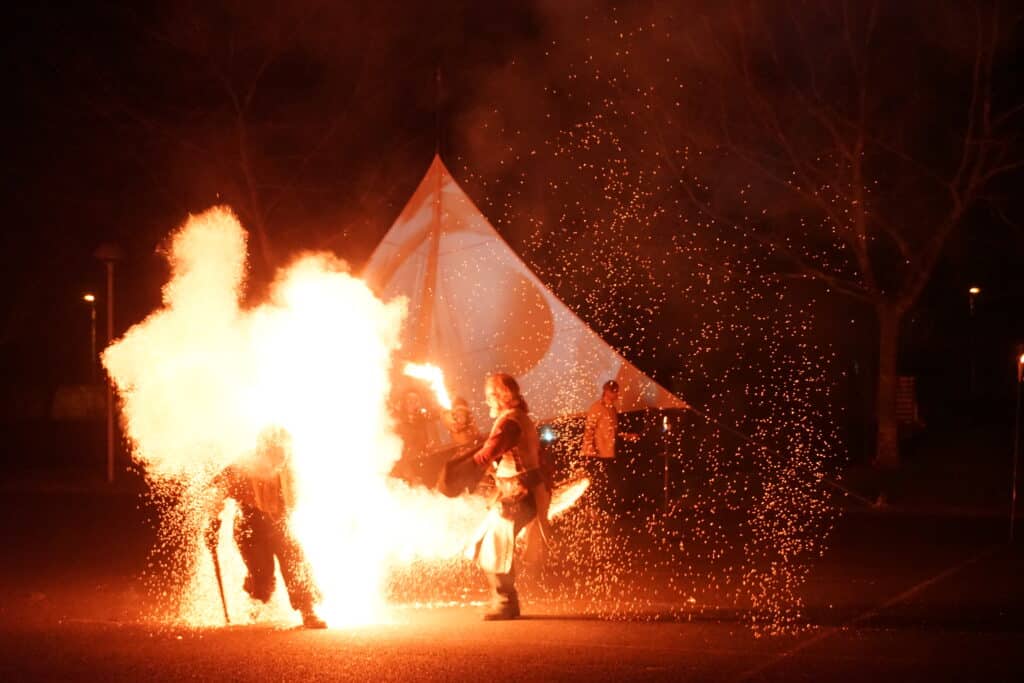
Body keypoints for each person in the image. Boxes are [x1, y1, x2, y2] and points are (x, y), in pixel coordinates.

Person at [205, 427, 326, 629]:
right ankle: (255, 594)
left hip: (280, 524)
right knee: (264, 579)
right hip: (249, 528)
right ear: (262, 450)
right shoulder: (242, 466)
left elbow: (295, 495)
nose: (280, 459)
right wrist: (212, 524)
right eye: (275, 453)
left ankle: (308, 611)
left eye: (283, 453)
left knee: (295, 561)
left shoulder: (287, 465)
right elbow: (217, 494)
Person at [467, 373, 551, 620]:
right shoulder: (515, 418)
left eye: (490, 396)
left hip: (519, 495)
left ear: (501, 396)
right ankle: (505, 600)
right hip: (516, 493)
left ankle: (505, 603)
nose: (488, 402)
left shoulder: (510, 422)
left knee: (494, 545)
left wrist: (464, 470)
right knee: (486, 542)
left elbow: (490, 452)